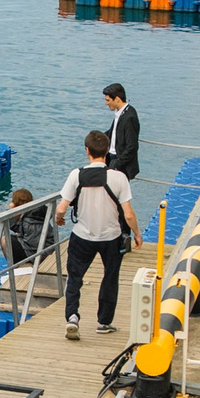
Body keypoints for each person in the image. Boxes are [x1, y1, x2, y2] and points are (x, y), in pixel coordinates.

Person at [56, 130, 139, 339]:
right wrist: (137, 234)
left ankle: (72, 316)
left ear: (87, 151)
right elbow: (128, 214)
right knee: (110, 278)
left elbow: (61, 208)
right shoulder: (119, 178)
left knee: (75, 277)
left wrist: (59, 218)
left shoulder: (76, 175)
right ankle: (104, 322)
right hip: (110, 237)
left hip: (82, 235)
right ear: (107, 151)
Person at [1, 187, 51, 311]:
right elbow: (18, 228)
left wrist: (20, 238)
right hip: (45, 249)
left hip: (41, 255)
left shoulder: (29, 220)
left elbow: (33, 245)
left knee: (4, 240)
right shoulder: (33, 214)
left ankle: (14, 267)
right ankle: (15, 266)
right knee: (12, 238)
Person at [102, 84, 141, 182]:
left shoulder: (129, 117)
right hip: (112, 159)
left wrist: (117, 164)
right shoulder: (120, 113)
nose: (106, 103)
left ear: (117, 99)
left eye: (108, 100)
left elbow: (132, 146)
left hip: (120, 164)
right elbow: (115, 131)